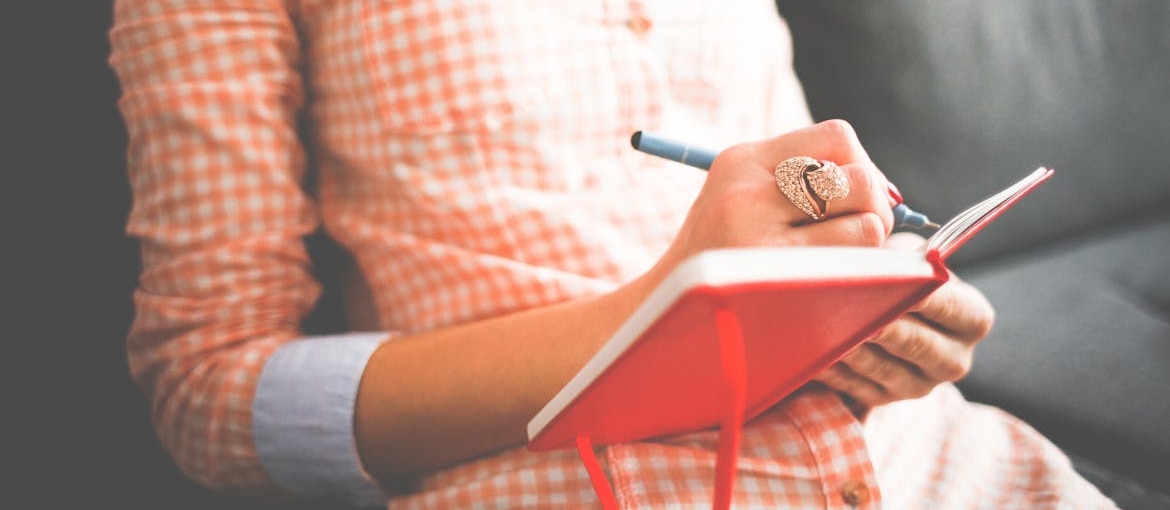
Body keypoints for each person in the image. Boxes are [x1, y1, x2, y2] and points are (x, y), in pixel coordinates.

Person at [109, 0, 1116, 508]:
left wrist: (875, 307)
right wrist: (660, 316)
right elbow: (206, 394)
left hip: (944, 465)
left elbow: (802, 195)